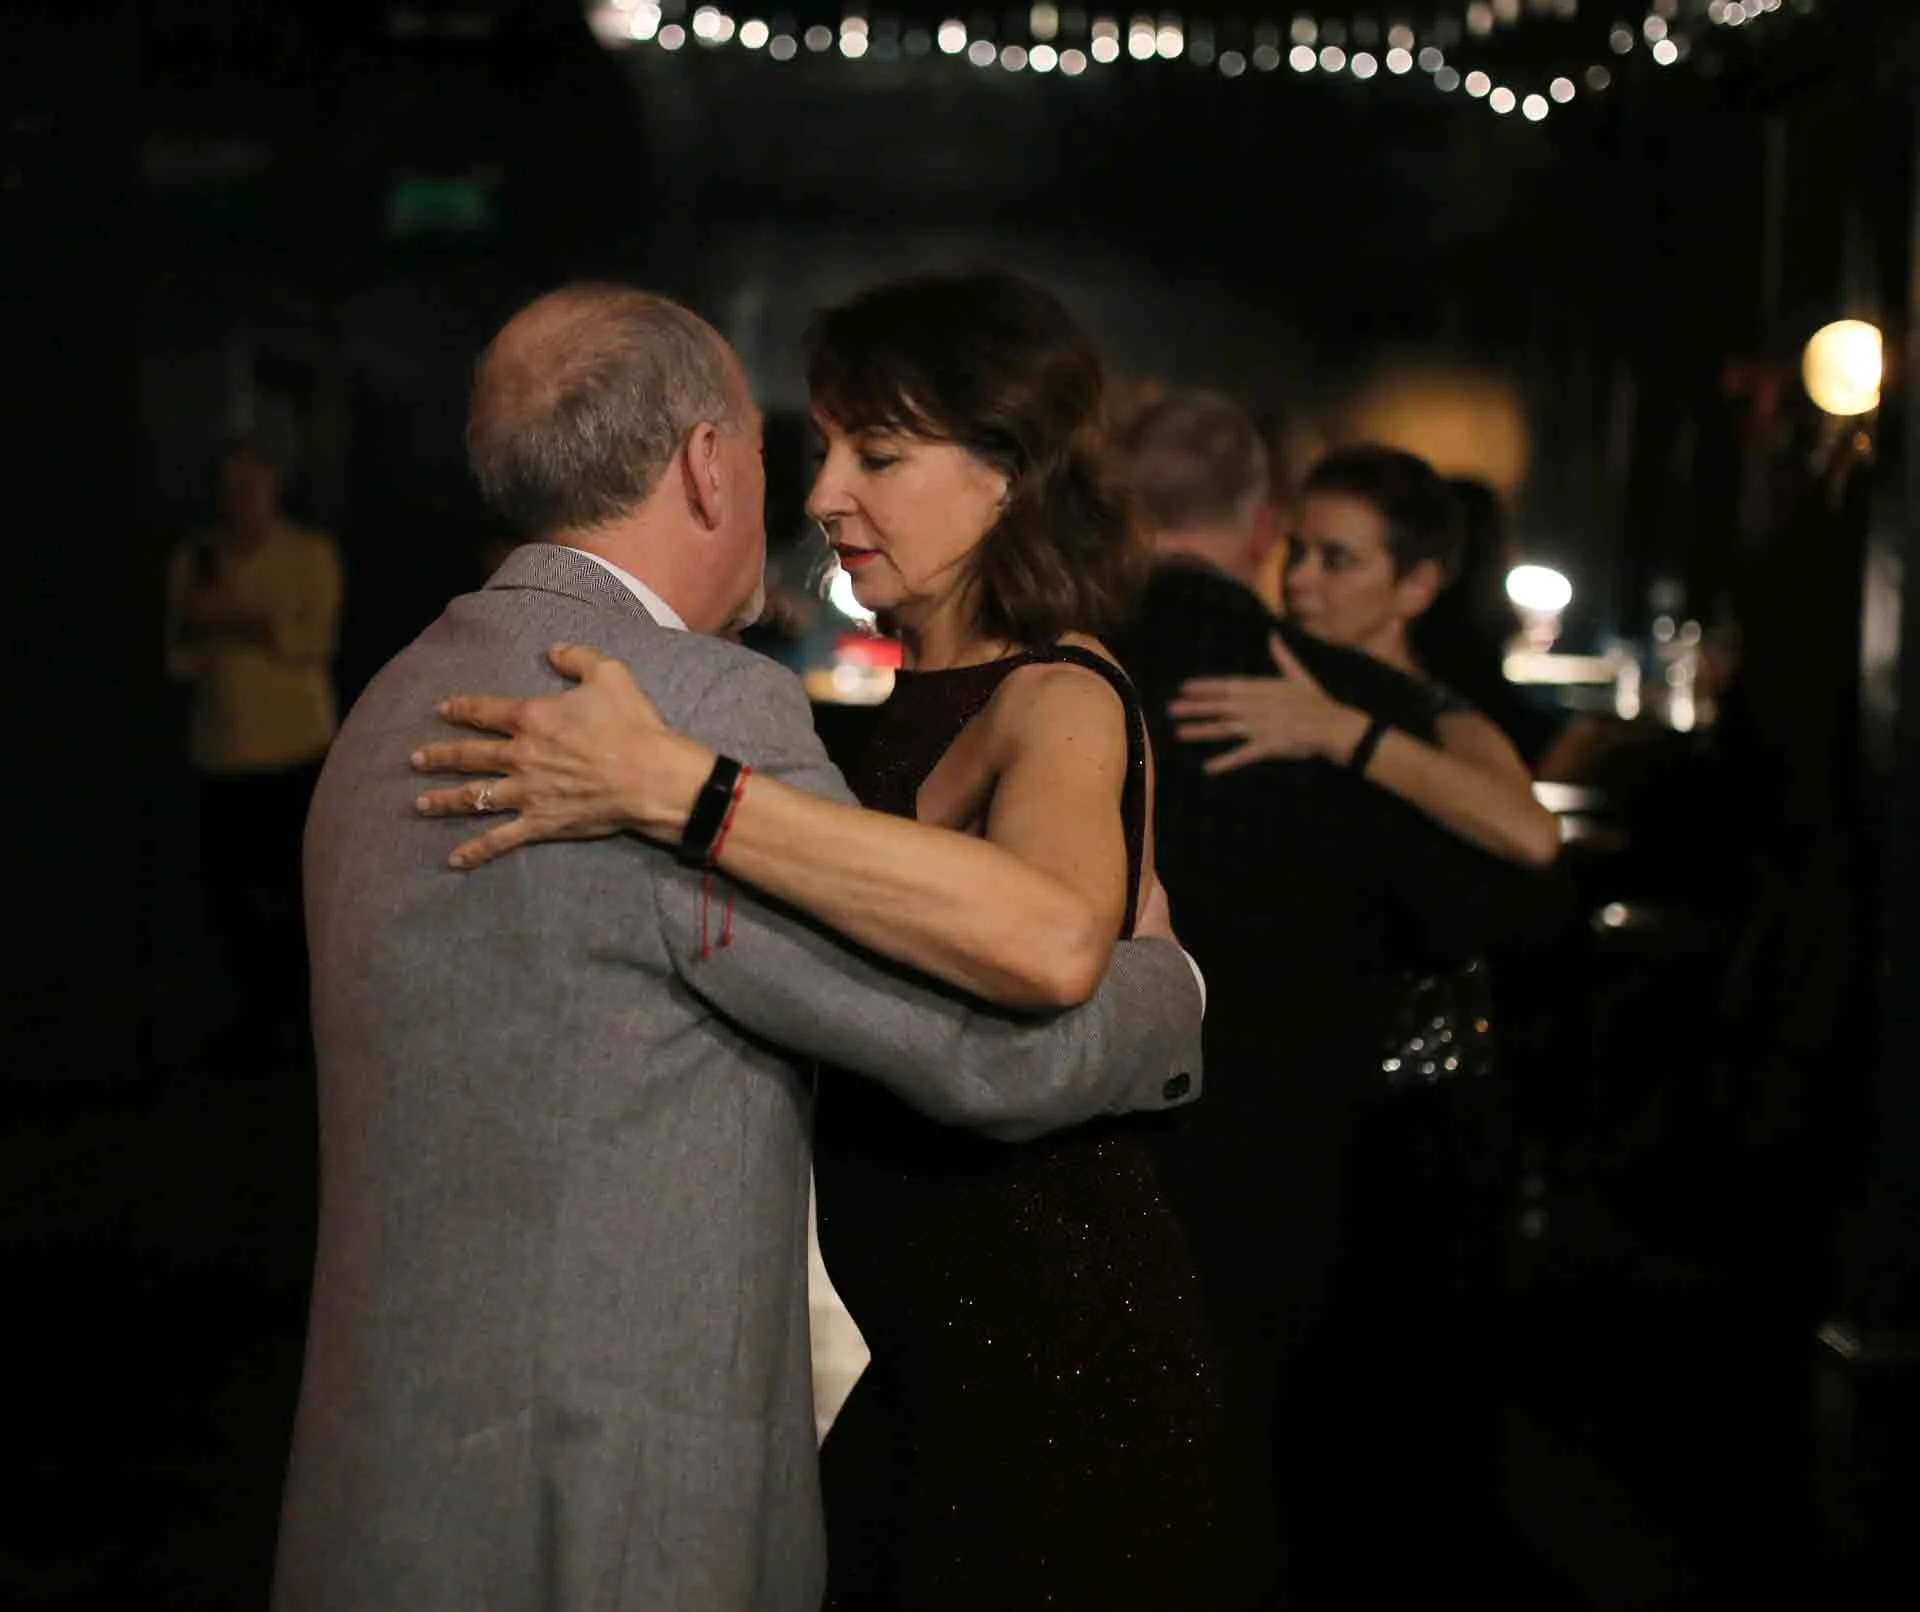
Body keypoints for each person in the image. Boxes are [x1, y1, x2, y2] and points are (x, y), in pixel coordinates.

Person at [273, 284, 1206, 1612]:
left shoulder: (388, 700)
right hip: (618, 1490)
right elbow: (972, 1048)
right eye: (800, 451)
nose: (820, 494)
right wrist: (1170, 993)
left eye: (870, 454)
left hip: (392, 1477)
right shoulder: (691, 703)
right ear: (710, 464)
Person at [1106, 393, 1567, 1607]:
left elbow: (1522, 841)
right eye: (1298, 551)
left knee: (1384, 1447)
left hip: (1421, 1113)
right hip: (1328, 1116)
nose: (1304, 580)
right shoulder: (1296, 684)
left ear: (1417, 584)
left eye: (1336, 558)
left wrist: (1341, 728)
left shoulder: (1429, 707)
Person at [164, 436, 343, 1069]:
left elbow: (313, 641)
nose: (239, 500)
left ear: (274, 487)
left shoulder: (309, 554)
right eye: (229, 487)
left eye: (251, 485)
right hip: (220, 751)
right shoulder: (198, 558)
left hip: (295, 749)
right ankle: (252, 1026)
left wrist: (238, 619)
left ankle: (307, 1024)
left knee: (297, 894)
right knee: (232, 901)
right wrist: (196, 627)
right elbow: (178, 659)